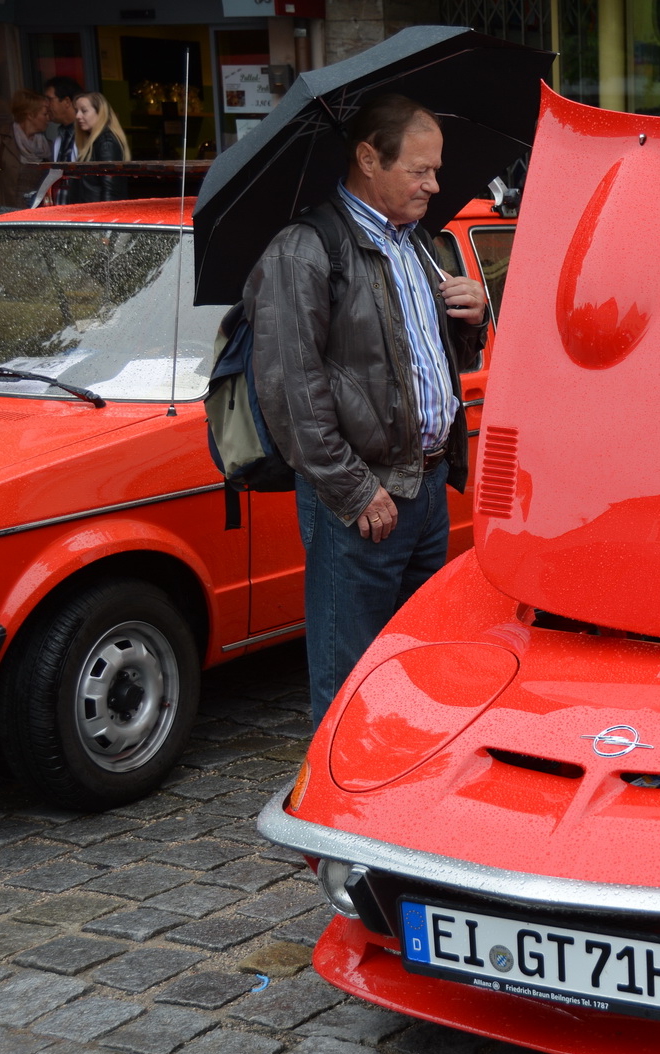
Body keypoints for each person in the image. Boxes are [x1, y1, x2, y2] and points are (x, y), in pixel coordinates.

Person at [245, 94, 488, 724]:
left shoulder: (420, 243)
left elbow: (421, 362)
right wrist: (355, 491)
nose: (435, 184)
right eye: (420, 170)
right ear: (367, 159)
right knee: (349, 677)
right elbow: (290, 391)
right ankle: (341, 810)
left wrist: (469, 319)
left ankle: (399, 792)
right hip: (363, 503)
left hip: (427, 487)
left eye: (436, 170)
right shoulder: (305, 250)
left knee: (416, 667)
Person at [0, 90, 50, 207]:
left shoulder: (45, 146)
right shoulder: (0, 140)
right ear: (30, 115)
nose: (48, 119)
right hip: (7, 213)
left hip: (36, 214)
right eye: (45, 114)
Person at [71, 92, 130, 203]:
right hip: (90, 213)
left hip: (97, 214)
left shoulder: (106, 142)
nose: (78, 116)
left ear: (100, 112)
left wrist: (104, 217)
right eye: (76, 111)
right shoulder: (95, 141)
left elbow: (111, 190)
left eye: (84, 111)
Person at [43, 77, 83, 163]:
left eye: (49, 99)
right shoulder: (61, 136)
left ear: (67, 102)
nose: (46, 105)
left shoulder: (90, 134)